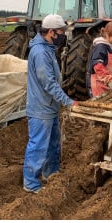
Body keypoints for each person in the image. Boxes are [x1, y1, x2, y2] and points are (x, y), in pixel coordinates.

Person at [23, 14, 78, 194]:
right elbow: (48, 83)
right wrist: (68, 102)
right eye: (61, 31)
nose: (63, 35)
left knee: (53, 144)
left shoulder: (48, 48)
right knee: (38, 146)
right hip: (40, 108)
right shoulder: (40, 52)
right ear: (52, 32)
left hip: (50, 107)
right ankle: (31, 183)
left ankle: (50, 174)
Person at [87, 22, 112, 97]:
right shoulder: (100, 47)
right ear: (107, 34)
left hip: (106, 82)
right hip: (98, 82)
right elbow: (98, 66)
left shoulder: (111, 46)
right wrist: (109, 80)